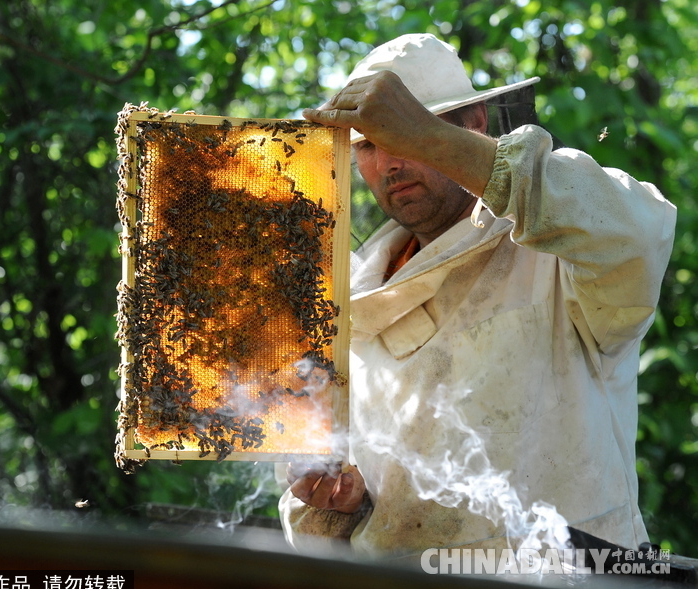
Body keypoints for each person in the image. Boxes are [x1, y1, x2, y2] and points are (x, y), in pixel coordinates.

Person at [278, 33, 676, 557]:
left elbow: (637, 235)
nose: (391, 161)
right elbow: (326, 511)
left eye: (406, 134)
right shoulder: (341, 302)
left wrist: (423, 134)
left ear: (475, 124)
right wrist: (331, 504)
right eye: (369, 144)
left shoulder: (560, 256)